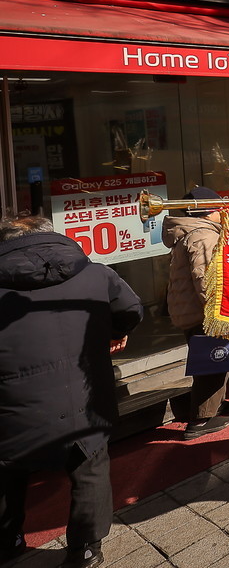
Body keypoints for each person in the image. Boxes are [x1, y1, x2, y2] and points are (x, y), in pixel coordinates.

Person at [1, 215, 142, 568]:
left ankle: (8, 543)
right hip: (84, 395)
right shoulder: (95, 273)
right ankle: (85, 549)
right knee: (89, 466)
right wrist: (113, 331)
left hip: (12, 406)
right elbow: (131, 311)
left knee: (7, 474)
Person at [163, 187, 229, 440]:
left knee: (218, 360)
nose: (224, 214)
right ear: (210, 212)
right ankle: (201, 419)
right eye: (220, 209)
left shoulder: (190, 232)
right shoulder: (204, 236)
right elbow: (207, 279)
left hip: (192, 310)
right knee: (213, 363)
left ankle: (216, 404)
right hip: (204, 312)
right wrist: (220, 312)